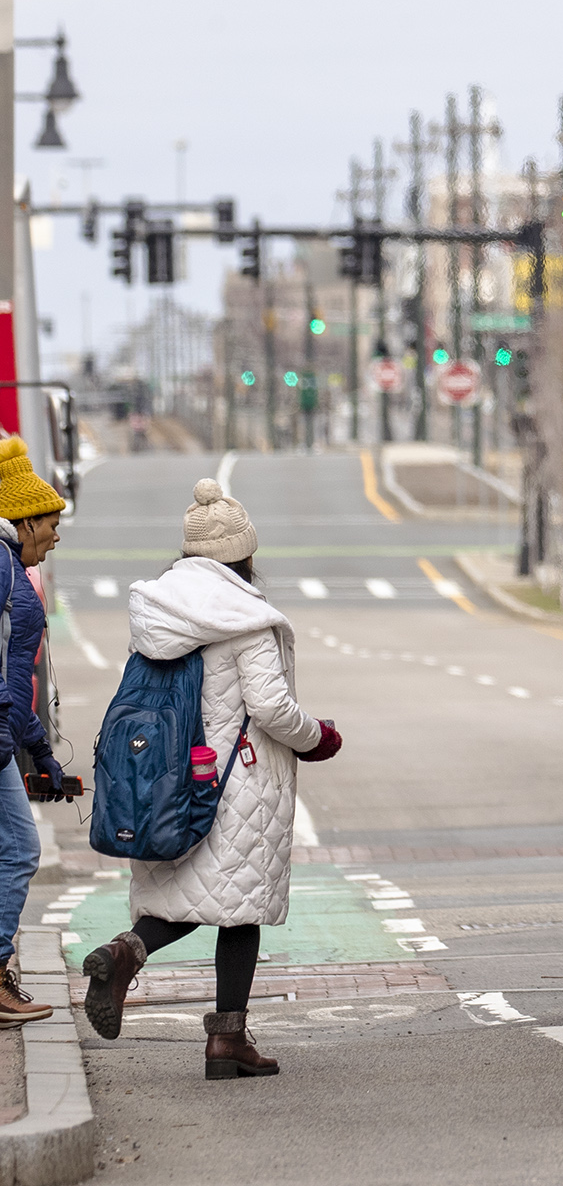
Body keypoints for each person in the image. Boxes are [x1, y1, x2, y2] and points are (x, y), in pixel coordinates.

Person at [81, 479, 342, 1078]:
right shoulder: (244, 617)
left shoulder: (158, 610)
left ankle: (126, 952)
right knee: (238, 909)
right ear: (243, 557)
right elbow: (272, 708)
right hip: (235, 783)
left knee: (186, 895)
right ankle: (227, 1041)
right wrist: (318, 737)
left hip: (164, 780)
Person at [0, 438, 68, 1026]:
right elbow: (9, 684)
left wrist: (38, 753)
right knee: (20, 849)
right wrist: (30, 747)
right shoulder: (8, 577)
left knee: (15, 848)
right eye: (49, 522)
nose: (54, 535)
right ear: (22, 520)